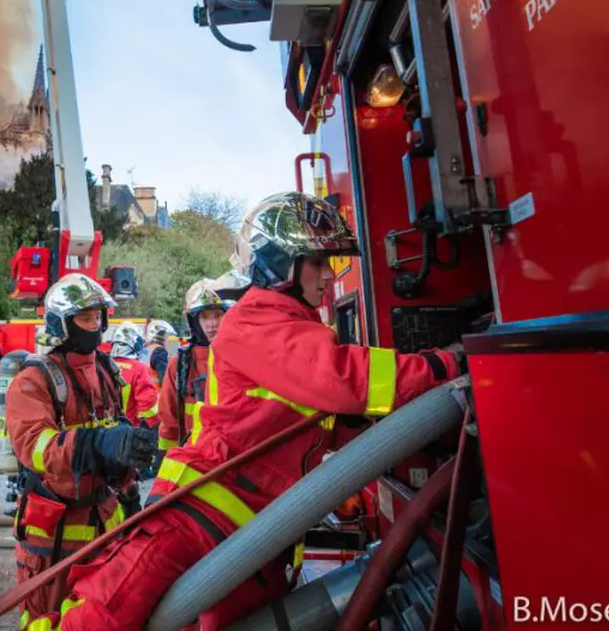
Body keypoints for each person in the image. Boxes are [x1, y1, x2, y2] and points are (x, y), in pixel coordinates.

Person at [27, 192, 467, 630]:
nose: (330, 276)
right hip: (198, 517)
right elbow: (346, 380)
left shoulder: (292, 327)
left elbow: (316, 422)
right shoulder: (256, 322)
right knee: (99, 616)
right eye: (317, 262)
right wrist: (449, 363)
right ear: (279, 264)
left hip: (248, 531)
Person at [5, 273, 158, 628]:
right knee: (47, 619)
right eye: (84, 319)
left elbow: (113, 427)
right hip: (54, 534)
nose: (94, 326)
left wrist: (131, 483)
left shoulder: (106, 369)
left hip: (105, 520)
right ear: (62, 323)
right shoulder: (35, 380)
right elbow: (34, 448)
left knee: (98, 616)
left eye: (98, 317)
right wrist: (96, 443)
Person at [156, 278, 233, 452]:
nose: (212, 323)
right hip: (194, 456)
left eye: (217, 315)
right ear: (193, 321)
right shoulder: (180, 365)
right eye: (204, 317)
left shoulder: (241, 357)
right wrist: (166, 455)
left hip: (234, 457)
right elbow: (170, 419)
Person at [107, 322, 160, 429]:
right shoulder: (138, 368)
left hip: (102, 432)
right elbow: (148, 404)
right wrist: (157, 425)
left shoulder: (102, 364)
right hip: (127, 431)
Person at [143, 320, 176, 386]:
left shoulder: (145, 350)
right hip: (157, 393)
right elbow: (164, 378)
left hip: (145, 391)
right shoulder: (160, 351)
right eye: (167, 336)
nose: (169, 340)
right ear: (160, 336)